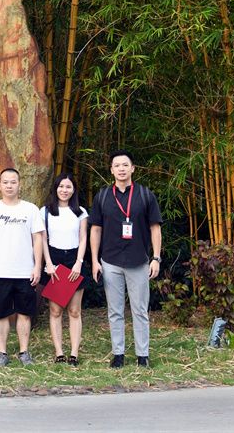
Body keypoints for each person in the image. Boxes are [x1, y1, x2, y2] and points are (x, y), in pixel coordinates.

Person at [89, 149, 163, 368]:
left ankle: (143, 355)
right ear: (111, 170)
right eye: (117, 165)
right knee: (115, 310)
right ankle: (118, 354)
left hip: (138, 261)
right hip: (110, 261)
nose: (121, 169)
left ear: (133, 168)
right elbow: (95, 229)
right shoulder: (103, 196)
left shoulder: (145, 195)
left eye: (125, 165)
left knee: (140, 310)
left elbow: (155, 227)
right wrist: (95, 260)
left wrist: (156, 258)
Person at [0, 168, 43, 367]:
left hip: (25, 271)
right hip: (0, 271)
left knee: (24, 313)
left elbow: (37, 239)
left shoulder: (31, 209)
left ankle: (24, 352)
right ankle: (2, 353)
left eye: (13, 182)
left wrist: (37, 266)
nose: (9, 186)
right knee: (1, 314)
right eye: (5, 182)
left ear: (19, 184)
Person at [39, 172, 89, 366]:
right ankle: (59, 352)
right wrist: (49, 263)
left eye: (68, 187)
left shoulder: (80, 212)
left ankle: (74, 353)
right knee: (55, 310)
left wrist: (79, 262)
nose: (64, 190)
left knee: (75, 310)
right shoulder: (45, 211)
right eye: (61, 186)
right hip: (54, 260)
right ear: (56, 188)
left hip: (75, 259)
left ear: (74, 189)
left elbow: (83, 238)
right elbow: (43, 239)